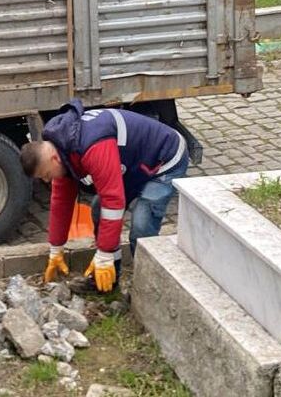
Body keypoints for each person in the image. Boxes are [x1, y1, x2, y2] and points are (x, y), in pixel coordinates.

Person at [20, 99, 189, 293]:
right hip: (134, 164)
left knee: (142, 226)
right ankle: (109, 279)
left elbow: (113, 201)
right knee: (99, 210)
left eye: (47, 175)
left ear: (53, 159)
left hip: (164, 159)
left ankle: (148, 289)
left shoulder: (92, 145)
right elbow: (61, 203)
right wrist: (56, 248)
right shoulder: (62, 148)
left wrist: (104, 254)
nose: (48, 181)